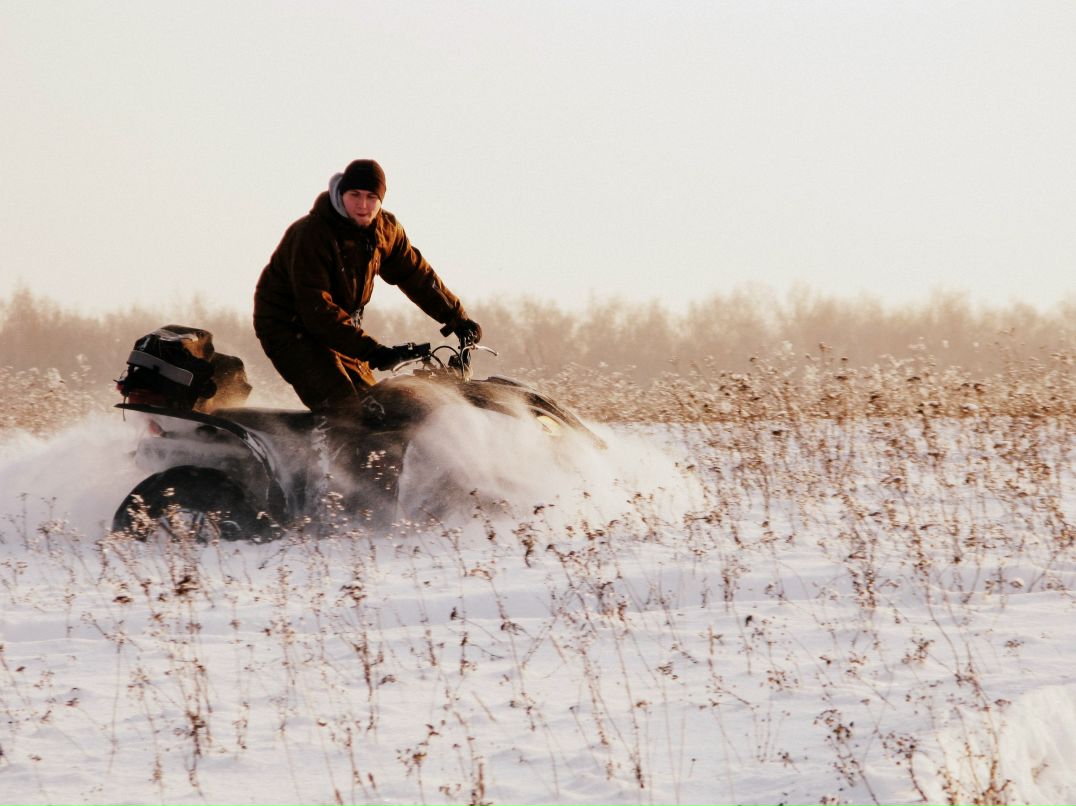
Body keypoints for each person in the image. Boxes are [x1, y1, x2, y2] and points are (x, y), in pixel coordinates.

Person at [253, 158, 482, 420]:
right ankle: (320, 459)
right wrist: (373, 351)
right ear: (341, 194)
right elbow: (316, 309)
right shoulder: (313, 234)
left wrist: (456, 317)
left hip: (338, 327)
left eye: (371, 197)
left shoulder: (385, 231)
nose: (363, 205)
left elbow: (415, 274)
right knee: (344, 408)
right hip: (289, 326)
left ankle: (384, 460)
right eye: (355, 195)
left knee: (376, 405)